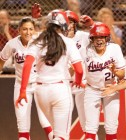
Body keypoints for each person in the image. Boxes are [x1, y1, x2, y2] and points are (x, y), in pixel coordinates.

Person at [15, 10, 84, 140]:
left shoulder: (37, 39)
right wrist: (79, 81)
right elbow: (79, 70)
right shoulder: (68, 42)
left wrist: (23, 90)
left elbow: (27, 65)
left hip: (41, 91)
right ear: (63, 25)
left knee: (55, 132)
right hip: (60, 90)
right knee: (61, 136)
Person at [0, 17, 53, 140]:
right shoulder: (12, 44)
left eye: (31, 29)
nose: (28, 32)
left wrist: (37, 18)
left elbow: (48, 32)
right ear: (18, 30)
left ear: (35, 30)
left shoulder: (39, 41)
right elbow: (1, 61)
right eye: (24, 29)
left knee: (46, 122)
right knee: (23, 128)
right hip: (20, 85)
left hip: (40, 84)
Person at [84, 22, 125, 140]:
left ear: (107, 38)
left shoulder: (115, 48)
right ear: (91, 39)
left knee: (111, 128)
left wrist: (115, 71)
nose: (99, 40)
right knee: (90, 129)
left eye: (102, 37)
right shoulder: (86, 50)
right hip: (92, 89)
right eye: (96, 37)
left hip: (111, 88)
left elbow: (122, 75)